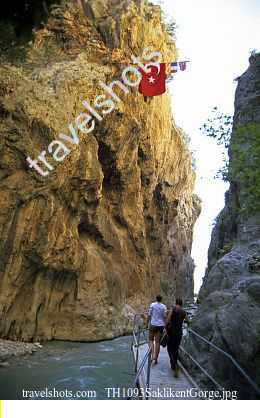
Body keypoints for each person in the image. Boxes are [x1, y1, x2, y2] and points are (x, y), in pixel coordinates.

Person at [166, 298, 189, 377]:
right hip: (179, 333)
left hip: (171, 332)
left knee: (169, 348)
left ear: (176, 303)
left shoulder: (173, 309)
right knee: (176, 348)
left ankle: (174, 364)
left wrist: (166, 327)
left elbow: (168, 319)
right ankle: (175, 364)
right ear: (181, 303)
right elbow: (188, 320)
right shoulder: (183, 312)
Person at [148, 295, 167, 365]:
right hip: (160, 325)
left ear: (156, 299)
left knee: (150, 340)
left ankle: (152, 356)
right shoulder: (164, 306)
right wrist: (165, 326)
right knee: (157, 342)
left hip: (153, 324)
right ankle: (155, 358)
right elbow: (165, 317)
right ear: (161, 299)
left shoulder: (152, 305)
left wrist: (148, 322)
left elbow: (149, 314)